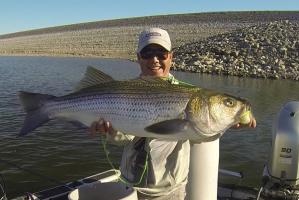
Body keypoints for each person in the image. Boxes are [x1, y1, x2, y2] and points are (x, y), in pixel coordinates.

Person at [89, 27, 256, 200]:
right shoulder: (124, 90)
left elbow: (201, 135)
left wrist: (227, 124)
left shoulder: (190, 93)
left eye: (161, 53)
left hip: (169, 191)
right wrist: (110, 131)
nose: (155, 60)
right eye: (147, 53)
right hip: (129, 186)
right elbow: (125, 138)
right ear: (138, 57)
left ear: (170, 56)